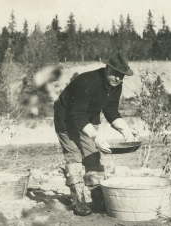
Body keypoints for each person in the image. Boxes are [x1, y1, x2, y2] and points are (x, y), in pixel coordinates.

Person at [53, 51, 139, 216]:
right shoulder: (87, 81)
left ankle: (98, 198)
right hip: (66, 117)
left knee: (92, 154)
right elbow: (76, 115)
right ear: (107, 69)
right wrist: (96, 136)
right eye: (115, 74)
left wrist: (125, 128)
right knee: (75, 156)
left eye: (122, 75)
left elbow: (111, 111)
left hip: (88, 117)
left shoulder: (116, 85)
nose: (119, 78)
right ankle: (79, 201)